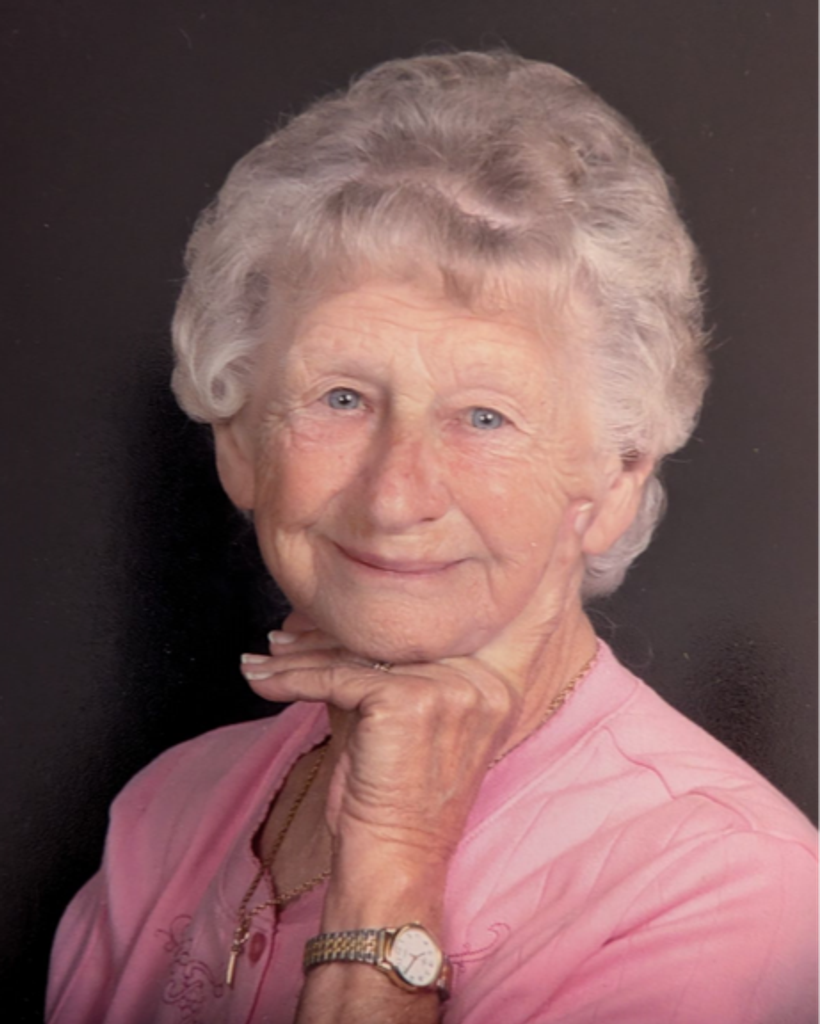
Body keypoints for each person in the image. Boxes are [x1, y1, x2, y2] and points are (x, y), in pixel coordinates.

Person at [47, 51, 817, 1024]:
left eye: (484, 417)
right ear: (238, 441)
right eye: (340, 397)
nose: (394, 496)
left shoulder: (726, 885)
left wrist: (393, 860)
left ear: (615, 478)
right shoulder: (170, 810)